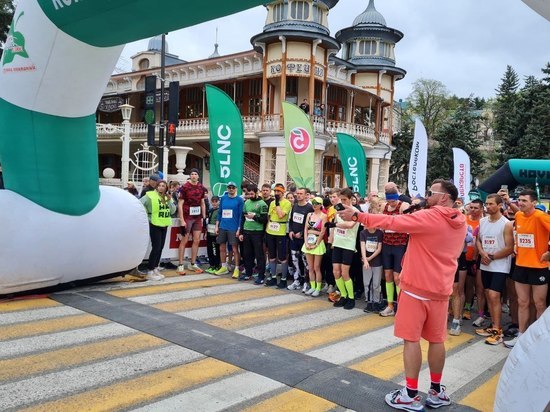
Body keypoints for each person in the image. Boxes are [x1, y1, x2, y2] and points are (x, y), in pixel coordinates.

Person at [338, 179, 466, 410]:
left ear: (444, 197)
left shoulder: (430, 217)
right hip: (440, 289)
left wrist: (358, 216)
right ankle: (436, 391)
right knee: (437, 340)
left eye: (431, 192)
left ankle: (411, 394)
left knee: (412, 339)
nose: (427, 196)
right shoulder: (461, 220)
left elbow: (392, 221)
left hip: (416, 287)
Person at [504, 189, 550, 348]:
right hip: (521, 266)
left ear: (534, 203)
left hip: (539, 267)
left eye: (524, 201)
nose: (521, 203)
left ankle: (541, 341)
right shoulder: (518, 216)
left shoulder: (541, 216)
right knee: (522, 302)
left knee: (539, 304)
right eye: (519, 200)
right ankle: (522, 336)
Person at [475, 194, 514, 345]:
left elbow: (510, 248)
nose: (488, 206)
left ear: (499, 206)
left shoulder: (507, 224)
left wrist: (492, 257)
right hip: (485, 263)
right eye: (487, 204)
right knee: (486, 293)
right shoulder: (483, 221)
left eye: (491, 204)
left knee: (493, 295)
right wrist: (482, 253)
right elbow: (479, 240)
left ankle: (498, 331)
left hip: (500, 265)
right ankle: (492, 326)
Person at [379, 186, 410, 317]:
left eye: (393, 201)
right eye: (390, 201)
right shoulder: (384, 207)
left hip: (400, 244)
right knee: (387, 275)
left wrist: (391, 224)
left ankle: (401, 305)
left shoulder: (403, 206)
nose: (391, 204)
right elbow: (381, 224)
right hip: (387, 243)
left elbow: (407, 223)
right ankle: (390, 305)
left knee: (398, 277)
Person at [140, 180, 176, 281]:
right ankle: (150, 270)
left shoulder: (167, 197)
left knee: (160, 247)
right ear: (156, 187)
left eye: (163, 186)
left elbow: (173, 211)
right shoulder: (150, 195)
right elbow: (139, 204)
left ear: (166, 188)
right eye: (159, 186)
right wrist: (147, 216)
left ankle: (155, 268)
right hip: (154, 224)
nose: (161, 187)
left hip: (164, 224)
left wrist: (169, 200)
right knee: (156, 247)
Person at [331, 188, 361, 310]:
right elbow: (334, 224)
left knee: (345, 273)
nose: (343, 202)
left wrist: (335, 224)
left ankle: (351, 298)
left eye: (345, 200)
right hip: (338, 243)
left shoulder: (355, 211)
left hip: (348, 244)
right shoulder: (338, 210)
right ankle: (343, 295)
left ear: (350, 199)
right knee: (336, 271)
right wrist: (331, 240)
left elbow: (350, 225)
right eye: (341, 199)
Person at [177, 168, 206, 275]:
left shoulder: (201, 187)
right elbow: (180, 204)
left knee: (197, 240)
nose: (194, 176)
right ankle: (180, 265)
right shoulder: (184, 187)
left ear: (198, 176)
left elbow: (202, 202)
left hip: (197, 217)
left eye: (196, 174)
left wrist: (204, 216)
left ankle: (192, 263)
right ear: (190, 176)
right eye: (192, 174)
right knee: (184, 240)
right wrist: (181, 219)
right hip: (187, 217)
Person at [214, 182, 244, 278]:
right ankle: (224, 267)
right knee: (222, 247)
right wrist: (217, 226)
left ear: (236, 189)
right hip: (223, 226)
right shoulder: (223, 198)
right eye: (229, 187)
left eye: (233, 187)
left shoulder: (239, 200)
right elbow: (220, 213)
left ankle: (236, 268)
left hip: (233, 227)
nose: (231, 189)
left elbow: (240, 216)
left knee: (235, 249)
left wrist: (239, 229)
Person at [239, 184, 268, 282]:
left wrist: (254, 217)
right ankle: (248, 273)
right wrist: (241, 232)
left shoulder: (262, 203)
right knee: (247, 254)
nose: (250, 196)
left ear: (256, 192)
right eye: (248, 194)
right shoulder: (246, 202)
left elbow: (264, 219)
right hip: (247, 231)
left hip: (257, 232)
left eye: (252, 194)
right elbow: (243, 218)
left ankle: (261, 276)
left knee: (259, 255)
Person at [264, 183, 292, 286]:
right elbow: (269, 217)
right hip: (270, 231)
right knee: (271, 256)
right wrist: (267, 230)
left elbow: (280, 215)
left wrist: (277, 204)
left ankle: (284, 279)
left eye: (278, 191)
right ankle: (273, 277)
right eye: (275, 191)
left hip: (281, 232)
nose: (276, 193)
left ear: (283, 192)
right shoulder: (272, 203)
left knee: (282, 257)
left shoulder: (287, 203)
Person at [287, 187, 314, 290]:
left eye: (301, 194)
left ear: (306, 195)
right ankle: (296, 280)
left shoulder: (309, 208)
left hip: (304, 239)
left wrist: (302, 233)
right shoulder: (294, 206)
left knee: (305, 261)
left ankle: (307, 282)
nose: (298, 195)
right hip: (294, 239)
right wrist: (291, 231)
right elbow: (291, 220)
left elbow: (312, 224)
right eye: (297, 193)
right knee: (294, 260)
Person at [301, 196, 327, 296]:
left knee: (317, 267)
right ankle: (312, 286)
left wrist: (316, 244)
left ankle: (318, 288)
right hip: (308, 241)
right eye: (313, 203)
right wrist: (306, 243)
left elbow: (323, 232)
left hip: (318, 242)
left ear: (320, 205)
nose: (314, 205)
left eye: (316, 203)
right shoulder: (309, 214)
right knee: (310, 267)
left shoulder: (323, 216)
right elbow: (305, 229)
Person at [360, 206, 384, 313]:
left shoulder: (379, 233)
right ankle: (369, 302)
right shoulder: (363, 233)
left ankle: (377, 301)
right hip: (366, 262)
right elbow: (362, 247)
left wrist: (370, 258)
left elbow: (379, 248)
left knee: (376, 283)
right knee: (367, 282)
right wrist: (365, 260)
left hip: (377, 261)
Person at [205, 196, 221, 274]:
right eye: (213, 201)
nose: (214, 203)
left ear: (219, 202)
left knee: (215, 250)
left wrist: (218, 232)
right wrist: (206, 232)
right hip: (209, 233)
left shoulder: (219, 211)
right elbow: (207, 222)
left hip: (215, 234)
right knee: (209, 250)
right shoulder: (210, 210)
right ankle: (211, 265)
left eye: (216, 201)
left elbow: (220, 222)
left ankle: (217, 265)